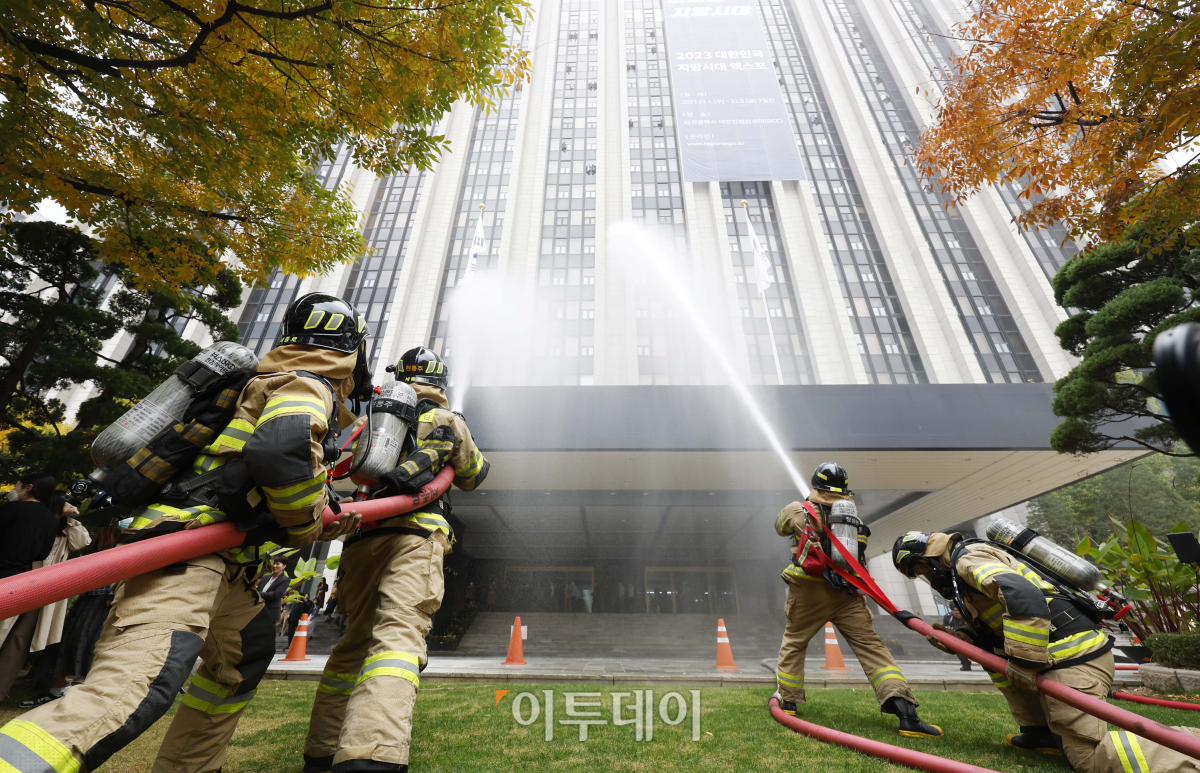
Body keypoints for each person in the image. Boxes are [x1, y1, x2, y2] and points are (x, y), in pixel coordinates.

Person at [0, 292, 369, 773]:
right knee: (136, 687)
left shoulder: (257, 383)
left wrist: (322, 508)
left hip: (233, 564)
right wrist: (309, 524)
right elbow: (282, 451)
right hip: (191, 553)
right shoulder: (307, 384)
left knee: (241, 662)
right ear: (350, 351)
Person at [302, 346, 489, 773]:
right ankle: (371, 755)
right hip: (416, 536)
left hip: (362, 537)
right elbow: (474, 474)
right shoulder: (446, 419)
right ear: (441, 383)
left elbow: (343, 465)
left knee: (353, 645)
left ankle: (321, 750)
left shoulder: (371, 421)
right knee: (398, 641)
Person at [893, 530, 1200, 771]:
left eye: (920, 571)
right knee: (1020, 679)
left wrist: (1024, 663)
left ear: (928, 557)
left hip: (1074, 660)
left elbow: (1022, 595)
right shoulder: (965, 572)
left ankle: (1190, 750)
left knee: (1090, 758)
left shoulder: (966, 560)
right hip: (1063, 658)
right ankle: (1041, 733)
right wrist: (953, 637)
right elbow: (991, 629)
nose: (927, 580)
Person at [771, 462, 942, 738]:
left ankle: (788, 701)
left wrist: (801, 511)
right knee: (872, 648)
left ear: (816, 485)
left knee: (795, 641)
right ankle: (907, 714)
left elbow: (779, 526)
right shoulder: (854, 521)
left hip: (809, 591)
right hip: (846, 594)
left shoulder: (799, 510)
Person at [0, 473, 62, 697]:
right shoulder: (50, 519)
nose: (14, 489)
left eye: (17, 485)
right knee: (12, 638)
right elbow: (42, 553)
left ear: (28, 487)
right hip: (23, 580)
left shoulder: (10, 510)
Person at [258, 560, 290, 628]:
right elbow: (258, 590)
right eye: (274, 564)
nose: (274, 566)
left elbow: (275, 595)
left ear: (284, 566)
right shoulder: (266, 577)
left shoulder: (285, 580)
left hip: (270, 613)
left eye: (277, 564)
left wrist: (257, 593)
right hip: (257, 610)